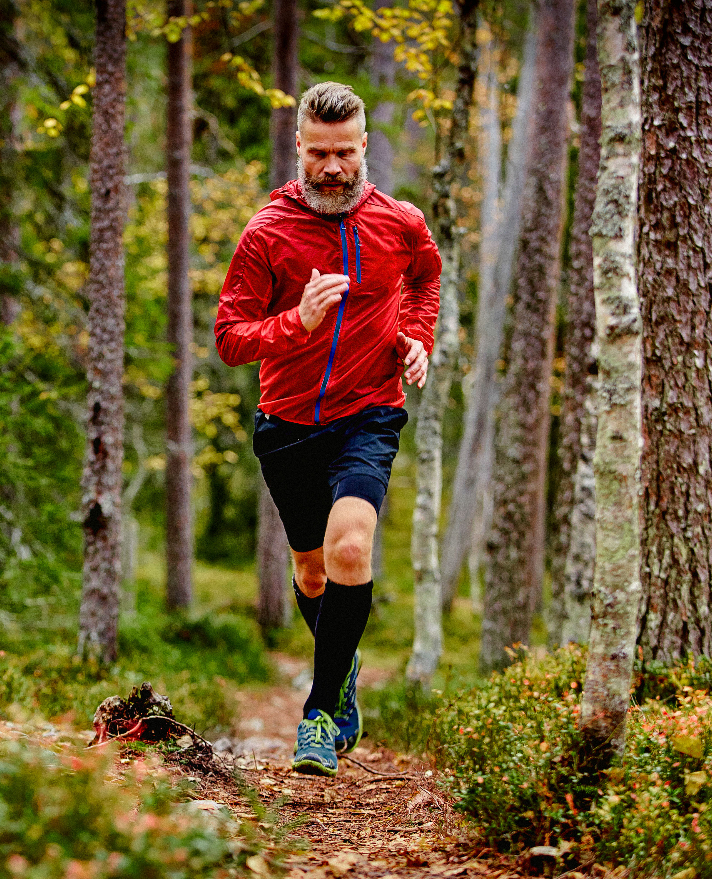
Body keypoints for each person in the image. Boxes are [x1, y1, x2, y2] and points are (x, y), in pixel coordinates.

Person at [214, 82, 441, 777]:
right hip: (285, 426)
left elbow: (426, 277)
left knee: (349, 549)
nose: (334, 168)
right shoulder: (268, 232)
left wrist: (414, 336)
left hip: (367, 415)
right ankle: (343, 674)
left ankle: (317, 714)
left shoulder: (398, 222)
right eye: (320, 154)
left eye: (345, 152)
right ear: (300, 150)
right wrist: (299, 323)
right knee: (311, 574)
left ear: (365, 147)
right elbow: (229, 338)